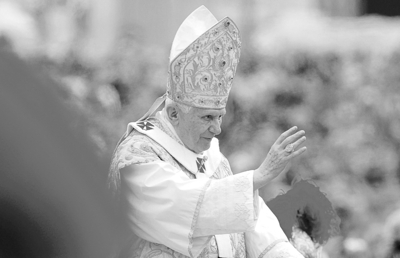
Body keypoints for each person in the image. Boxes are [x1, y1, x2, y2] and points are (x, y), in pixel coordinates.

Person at [108, 6, 307, 258]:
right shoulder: (137, 157)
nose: (217, 128)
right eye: (207, 117)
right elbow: (185, 206)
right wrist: (257, 178)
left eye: (220, 116)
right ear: (173, 114)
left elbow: (257, 228)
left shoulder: (211, 157)